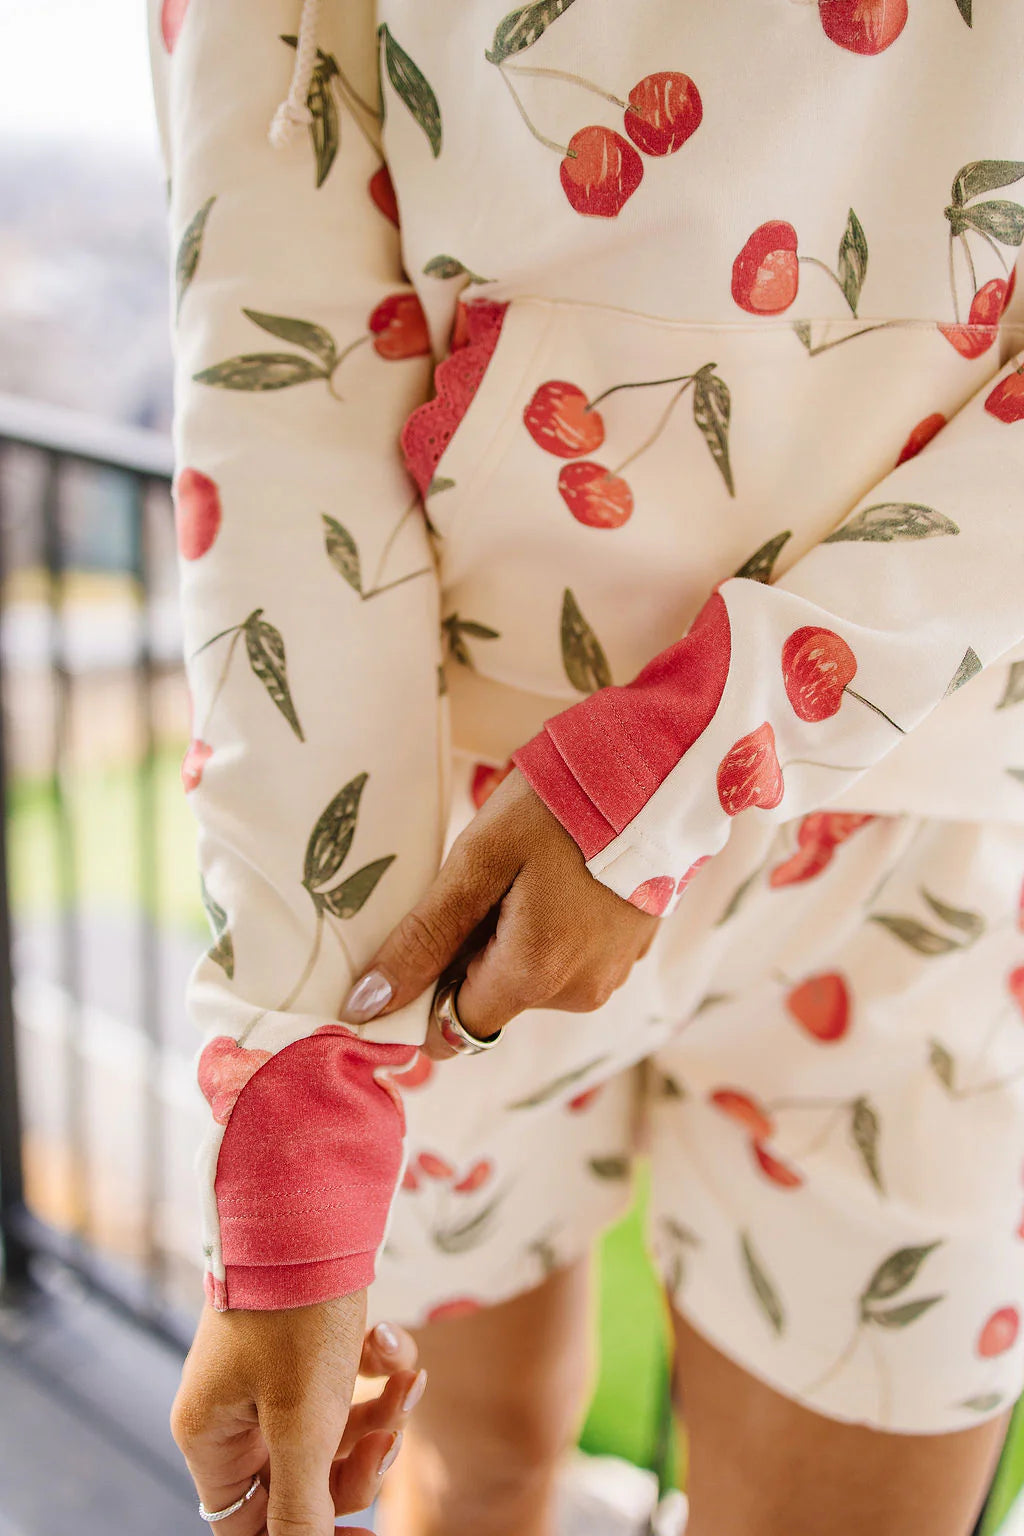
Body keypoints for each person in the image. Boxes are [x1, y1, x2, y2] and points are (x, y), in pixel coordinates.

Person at [149, 0, 1024, 1531]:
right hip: (447, 869)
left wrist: (706, 742)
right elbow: (282, 397)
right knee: (476, 1474)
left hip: (924, 822)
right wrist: (294, 1102)